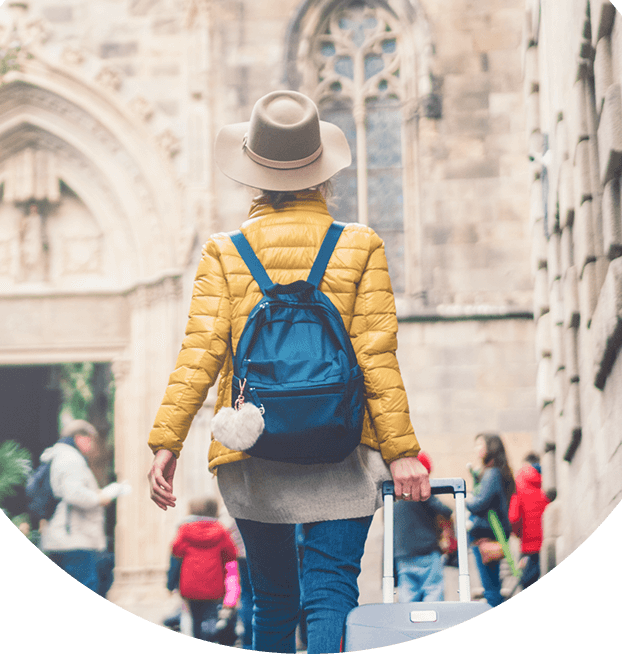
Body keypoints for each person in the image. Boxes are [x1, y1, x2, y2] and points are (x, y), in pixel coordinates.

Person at [148, 90, 430, 654]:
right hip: (345, 449)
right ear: (322, 174)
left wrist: (167, 441)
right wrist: (402, 451)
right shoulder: (359, 245)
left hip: (256, 449)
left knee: (271, 598)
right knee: (330, 592)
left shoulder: (224, 252)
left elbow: (199, 352)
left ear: (253, 176)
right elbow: (377, 354)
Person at [39, 420, 127, 593]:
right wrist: (100, 498)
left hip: (61, 537)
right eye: (91, 439)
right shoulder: (71, 459)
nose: (92, 445)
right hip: (74, 539)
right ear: (80, 438)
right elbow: (74, 494)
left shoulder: (58, 456)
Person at [170, 497, 238, 643]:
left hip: (190, 585)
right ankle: (210, 638)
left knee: (195, 618)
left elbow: (176, 550)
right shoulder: (220, 530)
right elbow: (231, 553)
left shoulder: (184, 529)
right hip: (214, 584)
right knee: (211, 617)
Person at [393, 451, 452, 603]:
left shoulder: (397, 494)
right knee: (433, 591)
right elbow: (445, 510)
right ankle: (433, 626)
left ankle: (409, 624)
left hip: (402, 553)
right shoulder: (420, 489)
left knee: (408, 593)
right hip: (426, 550)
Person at [466, 432, 515, 608]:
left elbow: (480, 503)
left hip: (485, 537)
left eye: (480, 444)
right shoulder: (496, 472)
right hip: (491, 536)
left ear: (491, 447)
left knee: (491, 588)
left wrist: (465, 500)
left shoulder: (492, 473)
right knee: (493, 585)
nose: (477, 449)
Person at [508, 452, 550, 590]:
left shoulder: (519, 480)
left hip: (528, 545)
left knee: (526, 582)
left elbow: (514, 516)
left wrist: (517, 533)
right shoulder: (546, 480)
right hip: (546, 540)